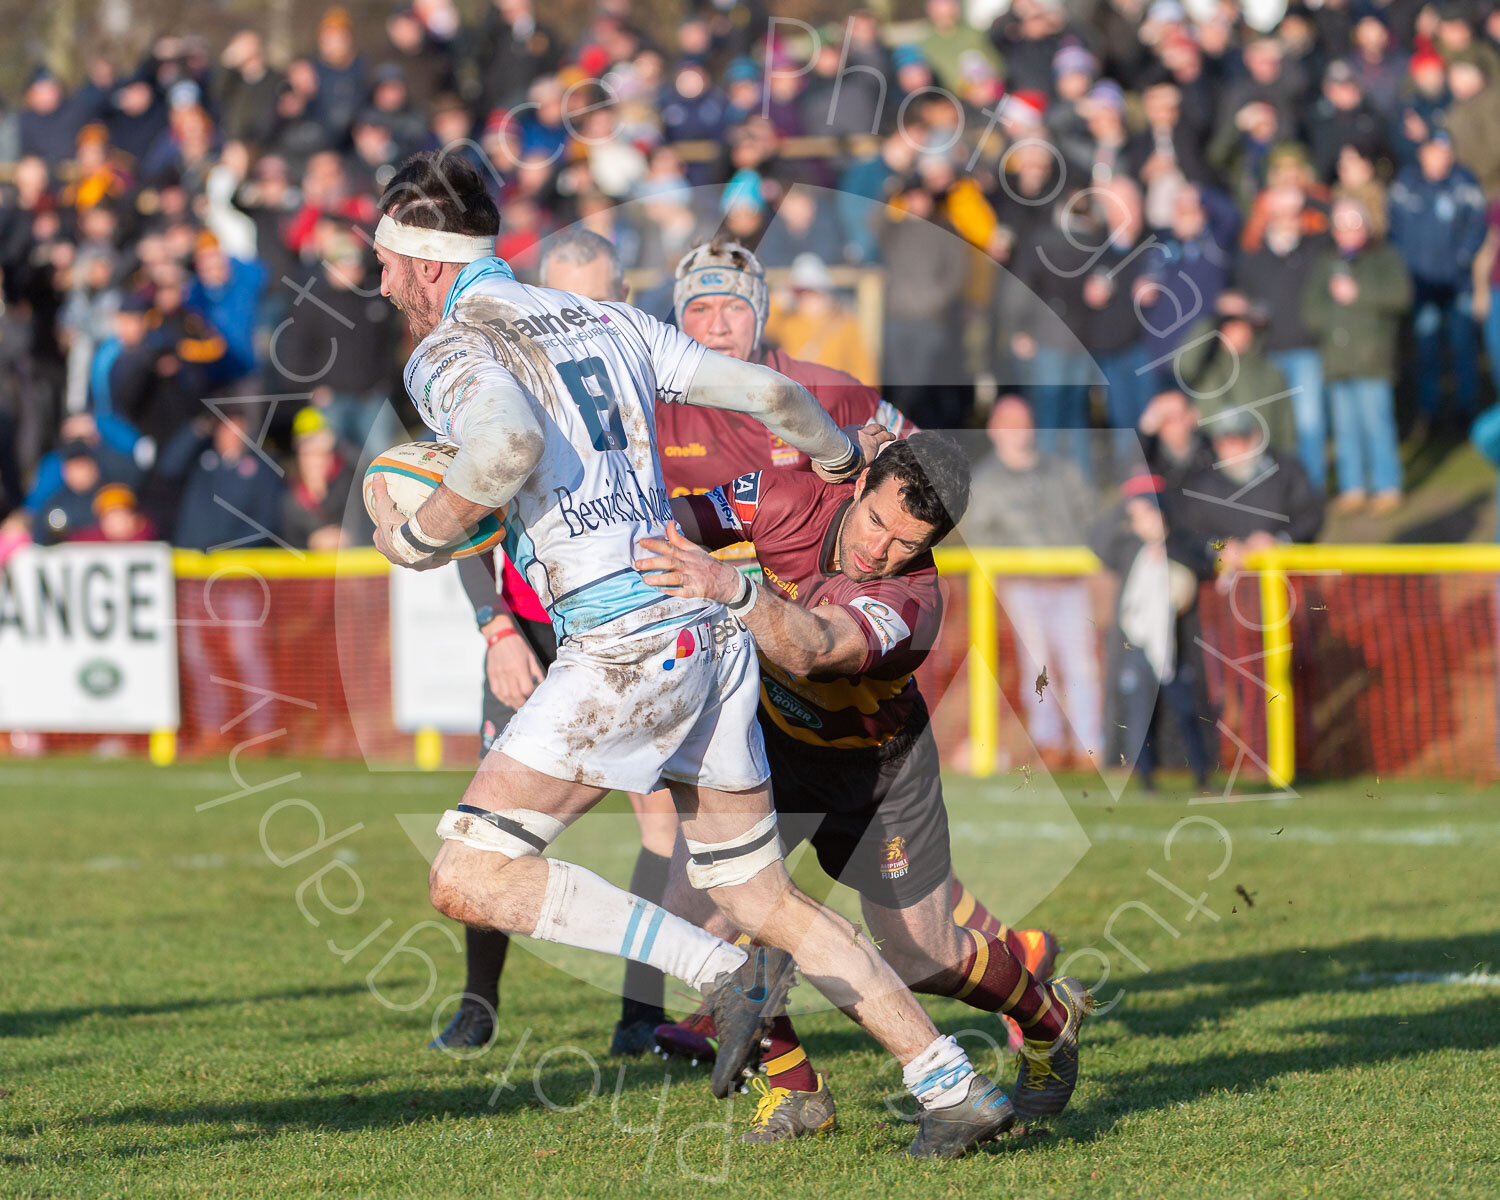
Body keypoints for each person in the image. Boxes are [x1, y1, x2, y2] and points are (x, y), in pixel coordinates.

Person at [366, 153, 1014, 1157]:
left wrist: (421, 535)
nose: (378, 282)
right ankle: (951, 1083)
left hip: (624, 645)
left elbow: (498, 454)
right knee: (761, 899)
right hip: (713, 640)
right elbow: (772, 394)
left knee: (468, 875)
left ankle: (721, 975)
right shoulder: (612, 322)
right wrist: (842, 463)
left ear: (423, 263)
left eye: (385, 261)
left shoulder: (451, 346)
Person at [633, 436, 1092, 1144]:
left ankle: (1049, 1023)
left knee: (922, 954)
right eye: (876, 522)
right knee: (703, 909)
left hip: (877, 775)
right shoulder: (782, 495)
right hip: (771, 752)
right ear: (856, 488)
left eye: (908, 543)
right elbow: (676, 521)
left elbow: (813, 647)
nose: (880, 551)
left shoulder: (912, 602)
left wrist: (730, 587)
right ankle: (796, 1091)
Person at [433, 229, 681, 1059]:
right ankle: (478, 1005)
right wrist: (496, 625)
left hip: (631, 622)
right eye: (568, 295)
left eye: (599, 296)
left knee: (665, 827)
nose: (582, 312)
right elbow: (465, 513)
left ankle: (640, 1013)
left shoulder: (646, 369)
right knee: (488, 825)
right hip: (530, 632)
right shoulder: (498, 374)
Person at [962, 397, 1104, 768]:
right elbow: (976, 537)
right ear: (993, 429)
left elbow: (1090, 518)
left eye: (1023, 420)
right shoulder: (985, 481)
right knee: (1037, 668)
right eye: (1008, 421)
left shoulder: (1062, 471)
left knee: (1081, 666)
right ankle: (1050, 744)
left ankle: (1090, 746)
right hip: (1023, 587)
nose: (1017, 429)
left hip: (1069, 584)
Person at [1090, 474, 1213, 792]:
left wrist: (1169, 550)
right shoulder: (1129, 547)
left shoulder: (1181, 545)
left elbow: (1204, 563)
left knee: (1186, 712)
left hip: (1176, 646)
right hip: (1137, 646)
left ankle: (1202, 775)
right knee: (1141, 713)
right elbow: (1097, 542)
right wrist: (1123, 501)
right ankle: (1146, 779)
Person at [1300, 196, 1412, 514]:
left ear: (1366, 225)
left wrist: (1358, 295)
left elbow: (1400, 296)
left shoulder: (1385, 257)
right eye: (1342, 225)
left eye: (1354, 223)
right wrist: (1334, 313)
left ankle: (1387, 486)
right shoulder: (1326, 264)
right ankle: (1353, 488)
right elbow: (1311, 311)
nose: (1348, 231)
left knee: (1377, 425)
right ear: (1334, 231)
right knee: (1346, 429)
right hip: (1338, 362)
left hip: (1372, 360)